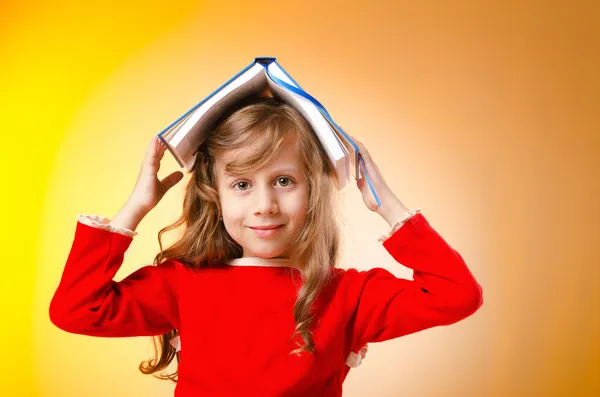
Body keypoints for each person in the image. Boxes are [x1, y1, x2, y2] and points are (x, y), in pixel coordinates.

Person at [49, 95, 483, 397]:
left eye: (284, 181)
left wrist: (387, 204)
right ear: (213, 194)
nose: (264, 206)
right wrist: (134, 209)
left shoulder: (350, 294)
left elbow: (456, 295)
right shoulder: (183, 284)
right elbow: (75, 309)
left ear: (313, 190)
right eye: (241, 184)